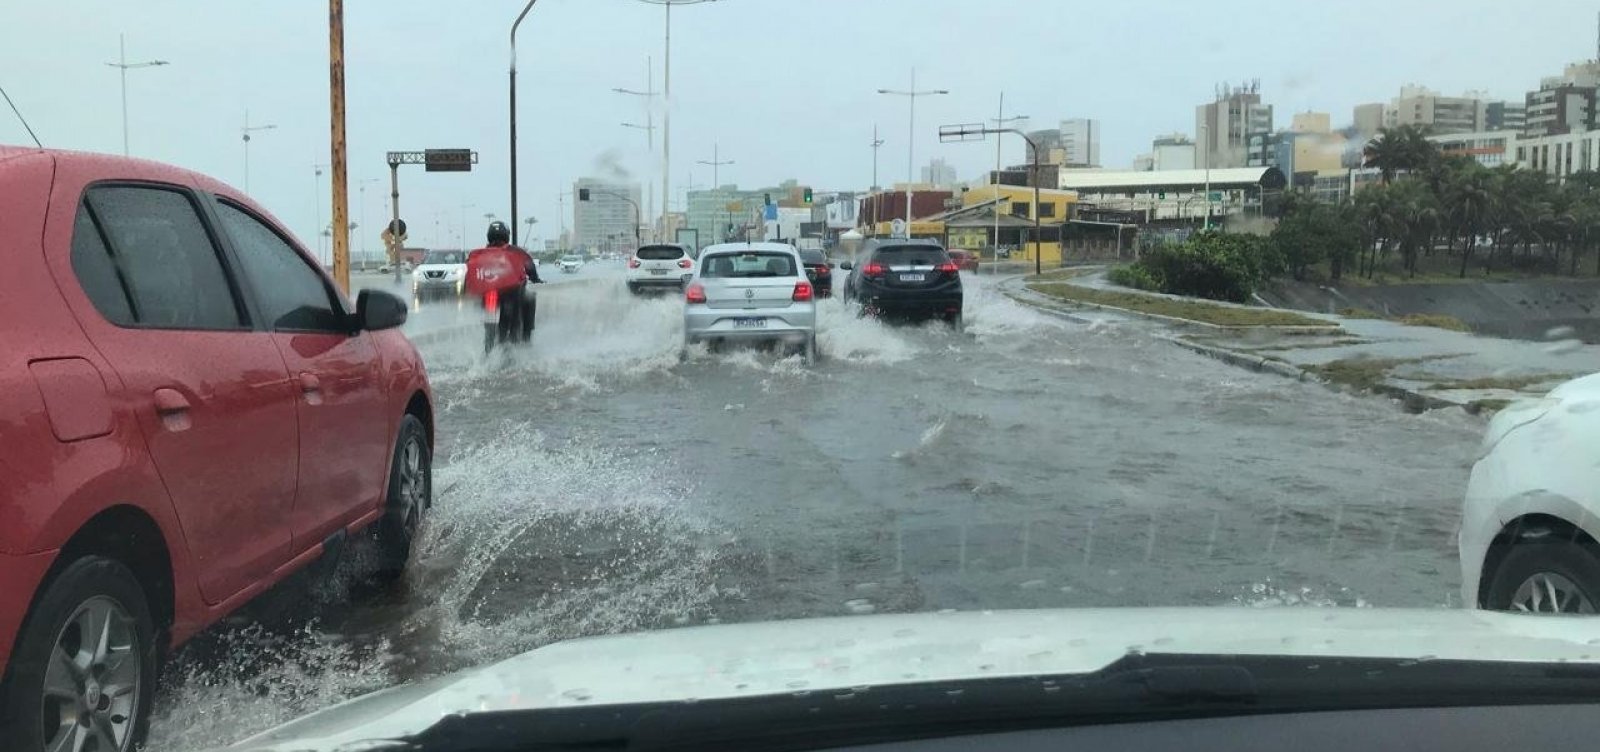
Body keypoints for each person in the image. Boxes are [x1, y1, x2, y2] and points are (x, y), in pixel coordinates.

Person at [466, 221, 539, 345]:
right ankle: (526, 338)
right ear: (506, 235)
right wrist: (535, 277)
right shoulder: (515, 251)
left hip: (488, 293)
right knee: (530, 300)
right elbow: (529, 265)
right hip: (511, 293)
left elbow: (470, 269)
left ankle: (490, 341)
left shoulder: (480, 254)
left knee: (488, 318)